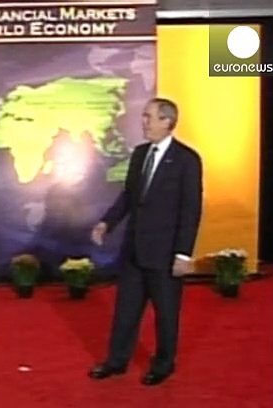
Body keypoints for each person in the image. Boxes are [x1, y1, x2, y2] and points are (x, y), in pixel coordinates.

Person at [88, 97, 203, 386]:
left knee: (166, 315)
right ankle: (116, 361)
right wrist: (107, 223)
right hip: (134, 251)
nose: (144, 122)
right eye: (143, 116)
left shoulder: (187, 160)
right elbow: (129, 197)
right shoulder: (140, 154)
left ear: (167, 121)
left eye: (149, 117)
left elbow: (191, 209)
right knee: (125, 312)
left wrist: (183, 254)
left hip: (165, 254)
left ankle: (163, 365)